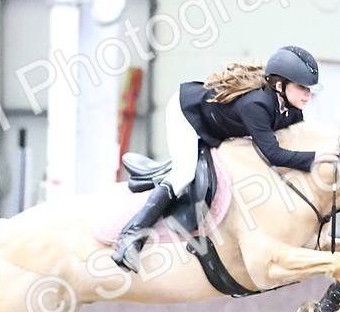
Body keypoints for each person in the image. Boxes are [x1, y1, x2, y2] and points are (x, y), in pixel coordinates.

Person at [111, 45, 323, 273]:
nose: (307, 94)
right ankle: (130, 238)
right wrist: (318, 159)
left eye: (309, 89)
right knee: (184, 175)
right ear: (280, 85)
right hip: (187, 112)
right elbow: (273, 154)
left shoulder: (292, 110)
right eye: (301, 87)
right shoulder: (257, 105)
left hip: (214, 122)